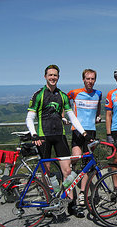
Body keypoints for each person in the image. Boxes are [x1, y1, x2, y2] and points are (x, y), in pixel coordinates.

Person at [26, 64, 91, 217]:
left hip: (60, 136)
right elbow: (30, 117)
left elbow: (71, 116)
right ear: (45, 77)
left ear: (58, 77)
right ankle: (50, 203)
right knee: (46, 172)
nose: (53, 78)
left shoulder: (62, 95)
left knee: (67, 171)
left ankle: (71, 204)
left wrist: (83, 133)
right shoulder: (38, 94)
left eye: (55, 75)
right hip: (43, 137)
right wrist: (34, 134)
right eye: (50, 75)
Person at [67, 69, 102, 206]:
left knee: (87, 162)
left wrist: (98, 116)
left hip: (91, 131)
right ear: (83, 79)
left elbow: (98, 105)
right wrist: (64, 116)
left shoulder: (98, 93)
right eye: (87, 79)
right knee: (75, 158)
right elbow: (65, 102)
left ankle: (82, 193)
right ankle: (68, 182)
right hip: (77, 130)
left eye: (92, 79)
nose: (90, 81)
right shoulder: (74, 92)